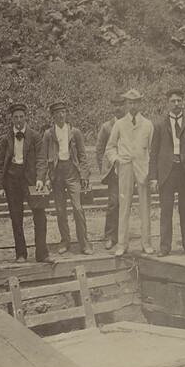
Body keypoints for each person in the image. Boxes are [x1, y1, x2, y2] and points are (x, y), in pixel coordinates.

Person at [148, 88, 185, 257]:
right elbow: (154, 153)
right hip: (167, 173)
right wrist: (153, 178)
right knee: (166, 211)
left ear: (184, 102)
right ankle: (165, 247)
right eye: (173, 101)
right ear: (167, 104)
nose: (176, 104)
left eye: (179, 101)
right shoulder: (159, 126)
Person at [0, 103, 53, 263]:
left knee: (40, 216)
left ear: (26, 117)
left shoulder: (35, 136)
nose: (19, 120)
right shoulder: (6, 139)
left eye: (21, 117)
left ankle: (42, 253)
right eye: (16, 117)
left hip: (31, 180)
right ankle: (21, 253)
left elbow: (42, 159)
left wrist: (40, 178)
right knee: (16, 217)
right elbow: (0, 163)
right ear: (11, 118)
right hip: (12, 179)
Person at [39, 101, 93, 255]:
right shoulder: (48, 134)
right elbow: (43, 158)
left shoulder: (74, 132)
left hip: (72, 173)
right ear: (53, 115)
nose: (61, 115)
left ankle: (84, 243)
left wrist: (84, 175)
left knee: (77, 207)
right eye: (58, 113)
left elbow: (83, 155)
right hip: (56, 174)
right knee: (60, 209)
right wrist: (46, 178)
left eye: (63, 112)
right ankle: (65, 241)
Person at [105, 89, 154, 257]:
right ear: (127, 104)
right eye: (130, 103)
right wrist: (116, 160)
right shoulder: (119, 124)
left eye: (136, 102)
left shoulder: (147, 124)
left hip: (142, 168)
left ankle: (146, 243)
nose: (133, 106)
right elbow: (110, 147)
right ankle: (122, 244)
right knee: (123, 205)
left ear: (140, 103)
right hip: (125, 167)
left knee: (145, 206)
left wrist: (150, 170)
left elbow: (152, 150)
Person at [95, 93, 128, 250]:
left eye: (121, 104)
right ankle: (110, 236)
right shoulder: (107, 127)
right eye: (115, 105)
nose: (118, 108)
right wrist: (106, 169)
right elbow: (100, 149)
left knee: (126, 203)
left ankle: (123, 235)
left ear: (126, 105)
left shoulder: (131, 124)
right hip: (114, 172)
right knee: (113, 203)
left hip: (129, 170)